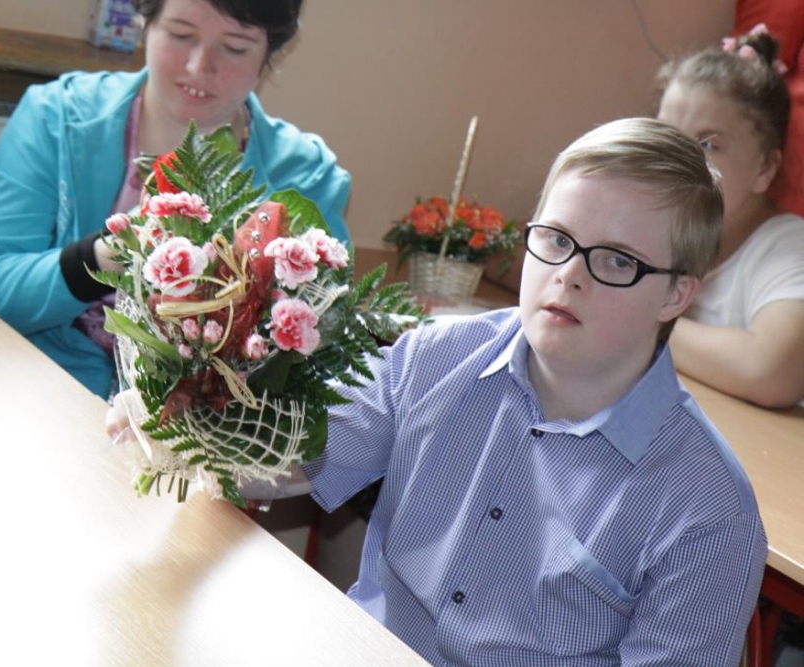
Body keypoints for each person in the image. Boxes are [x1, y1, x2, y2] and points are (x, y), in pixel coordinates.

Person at [107, 117, 767, 665]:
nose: (569, 275)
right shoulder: (438, 355)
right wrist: (189, 418)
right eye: (557, 239)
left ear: (677, 293)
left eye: (617, 260)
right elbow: (291, 455)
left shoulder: (709, 512)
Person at [0, 0, 351, 399]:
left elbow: (324, 351)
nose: (199, 67)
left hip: (206, 426)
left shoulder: (307, 177)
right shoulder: (56, 116)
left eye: (235, 47)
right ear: (145, 22)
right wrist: (103, 256)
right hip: (42, 392)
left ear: (271, 50)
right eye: (181, 34)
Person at [655, 24, 804, 408]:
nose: (677, 159)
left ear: (765, 168)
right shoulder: (658, 223)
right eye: (667, 135)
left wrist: (636, 321)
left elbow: (772, 371)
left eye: (709, 144)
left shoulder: (788, 246)